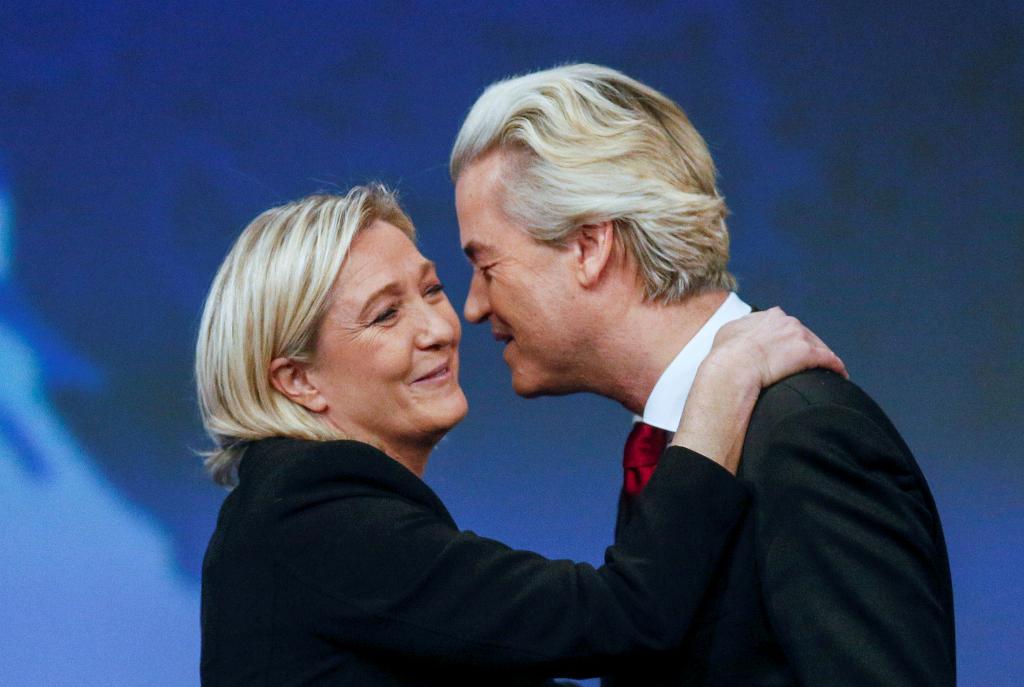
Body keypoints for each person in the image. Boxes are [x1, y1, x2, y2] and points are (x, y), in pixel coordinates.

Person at [196, 186, 844, 686]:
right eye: (386, 314)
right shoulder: (309, 511)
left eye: (431, 289)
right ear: (298, 380)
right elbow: (623, 615)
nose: (440, 328)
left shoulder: (291, 514)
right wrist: (721, 383)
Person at [449, 63, 955, 686]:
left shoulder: (805, 435)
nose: (471, 306)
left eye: (486, 263)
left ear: (589, 246)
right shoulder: (672, 445)